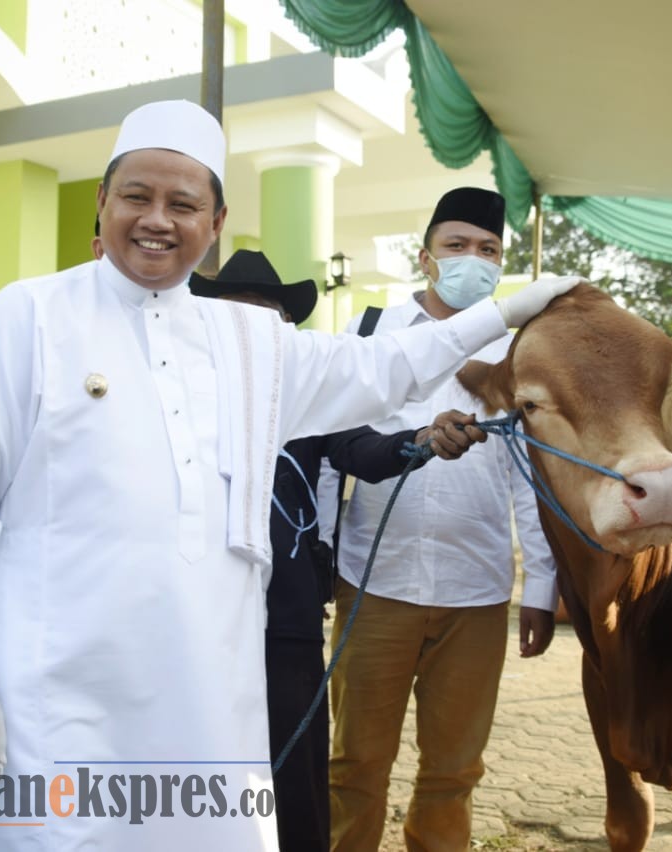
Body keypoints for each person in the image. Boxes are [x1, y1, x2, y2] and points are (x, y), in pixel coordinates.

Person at [0, 100, 579, 851]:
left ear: (215, 223)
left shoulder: (251, 339)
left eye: (183, 204)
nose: (157, 219)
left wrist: (508, 311)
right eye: (137, 196)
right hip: (56, 690)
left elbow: (382, 368)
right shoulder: (29, 314)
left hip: (205, 695)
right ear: (102, 202)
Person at [195, 249, 487, 852]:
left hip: (288, 619)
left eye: (266, 315)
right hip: (195, 616)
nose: (252, 327)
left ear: (284, 329)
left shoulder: (304, 397)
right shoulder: (179, 396)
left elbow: (365, 451)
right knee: (202, 764)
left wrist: (422, 440)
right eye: (236, 313)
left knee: (295, 769)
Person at [326, 187, 558, 852]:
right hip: (376, 584)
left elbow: (530, 478)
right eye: (457, 246)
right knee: (355, 765)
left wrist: (538, 590)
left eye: (488, 251)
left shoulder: (519, 354)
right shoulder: (371, 334)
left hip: (477, 592)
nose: (473, 260)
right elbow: (331, 452)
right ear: (426, 258)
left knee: (454, 772)